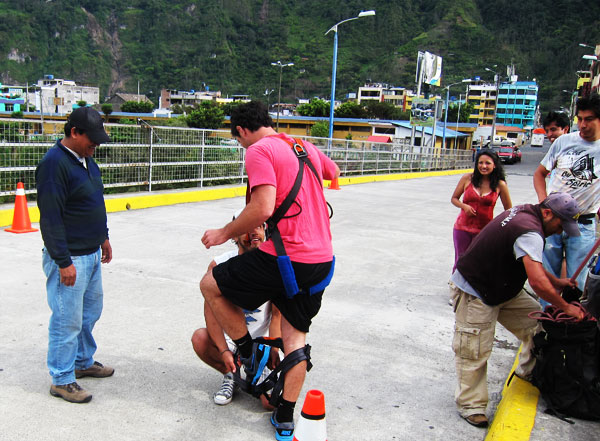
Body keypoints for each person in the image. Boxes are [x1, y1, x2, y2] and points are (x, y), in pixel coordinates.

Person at [200, 101, 339, 441]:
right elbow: (332, 172)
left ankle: (247, 350)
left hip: (286, 257)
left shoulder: (259, 150)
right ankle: (285, 415)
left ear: (243, 131)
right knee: (296, 341)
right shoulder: (301, 144)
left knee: (210, 284)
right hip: (322, 260)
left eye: (239, 140)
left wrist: (224, 232)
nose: (242, 146)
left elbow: (261, 206)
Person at [450, 192, 585, 428]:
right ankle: (471, 404)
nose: (561, 230)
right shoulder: (530, 230)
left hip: (503, 287)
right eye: (560, 224)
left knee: (539, 326)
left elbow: (532, 262)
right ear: (547, 213)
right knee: (474, 348)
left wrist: (556, 281)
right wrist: (566, 307)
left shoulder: (526, 212)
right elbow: (536, 282)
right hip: (476, 288)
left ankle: (527, 372)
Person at [36, 107, 113, 404]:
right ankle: (62, 379)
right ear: (74, 133)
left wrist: (103, 237)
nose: (96, 145)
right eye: (91, 139)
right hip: (70, 258)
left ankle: (82, 361)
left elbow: (95, 201)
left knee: (89, 314)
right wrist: (63, 261)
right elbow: (51, 219)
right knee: (66, 320)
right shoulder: (54, 165)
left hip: (91, 253)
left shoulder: (87, 161)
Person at [191, 212, 281, 408]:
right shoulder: (219, 264)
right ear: (234, 235)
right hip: (231, 342)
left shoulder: (271, 264)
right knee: (199, 338)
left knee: (270, 404)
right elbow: (211, 312)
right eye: (246, 228)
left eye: (258, 226)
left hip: (259, 345)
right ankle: (230, 375)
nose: (254, 232)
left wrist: (274, 348)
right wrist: (223, 350)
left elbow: (277, 315)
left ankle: (252, 370)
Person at [533, 93, 600, 292]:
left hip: (583, 224)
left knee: (578, 282)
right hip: (552, 220)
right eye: (580, 119)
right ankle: (547, 319)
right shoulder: (563, 142)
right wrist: (543, 202)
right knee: (547, 278)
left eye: (589, 119)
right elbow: (539, 174)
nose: (583, 125)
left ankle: (571, 320)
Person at [451, 149, 512, 269]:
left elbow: (509, 210)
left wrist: (498, 225)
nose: (483, 166)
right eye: (480, 163)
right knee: (461, 261)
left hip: (484, 231)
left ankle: (475, 288)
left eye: (487, 163)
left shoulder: (500, 185)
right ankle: (457, 286)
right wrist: (464, 206)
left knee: (480, 263)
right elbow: (454, 199)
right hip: (462, 228)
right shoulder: (467, 178)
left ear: (494, 165)